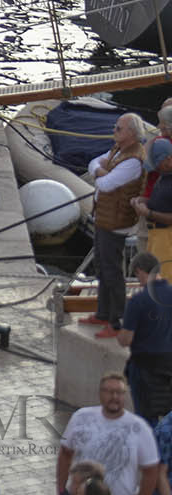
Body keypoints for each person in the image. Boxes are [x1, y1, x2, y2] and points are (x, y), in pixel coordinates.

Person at [58, 374, 160, 495]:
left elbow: (151, 472)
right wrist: (62, 491)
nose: (114, 397)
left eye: (119, 392)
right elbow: (65, 454)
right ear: (100, 393)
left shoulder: (140, 428)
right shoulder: (81, 417)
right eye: (108, 391)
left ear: (125, 395)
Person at [87, 114, 147, 339]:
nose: (114, 131)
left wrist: (102, 172)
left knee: (113, 271)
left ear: (132, 133)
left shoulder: (133, 160)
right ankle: (103, 313)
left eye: (119, 128)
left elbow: (106, 183)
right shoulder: (118, 150)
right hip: (104, 218)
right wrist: (100, 170)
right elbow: (93, 163)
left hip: (116, 222)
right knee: (102, 267)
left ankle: (117, 320)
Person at [118, 251, 172, 424]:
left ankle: (151, 449)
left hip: (145, 368)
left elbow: (125, 339)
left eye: (136, 275)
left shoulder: (138, 301)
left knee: (146, 419)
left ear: (141, 271)